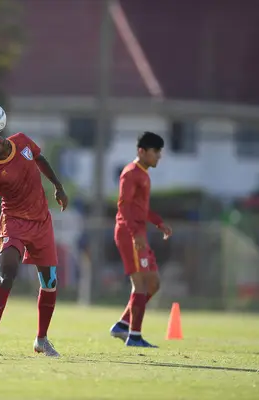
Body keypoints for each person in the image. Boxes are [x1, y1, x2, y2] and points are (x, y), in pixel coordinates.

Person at [0, 131, 69, 357]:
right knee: (7, 274)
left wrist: (58, 187)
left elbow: (39, 159)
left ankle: (41, 339)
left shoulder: (21, 140)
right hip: (14, 223)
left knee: (50, 281)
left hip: (41, 221)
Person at [109, 131, 172, 348]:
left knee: (153, 282)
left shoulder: (144, 174)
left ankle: (124, 324)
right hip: (129, 233)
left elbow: (140, 209)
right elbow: (124, 206)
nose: (159, 156)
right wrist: (135, 234)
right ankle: (134, 336)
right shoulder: (130, 173)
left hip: (138, 233)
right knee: (141, 283)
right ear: (141, 151)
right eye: (155, 152)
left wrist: (158, 222)